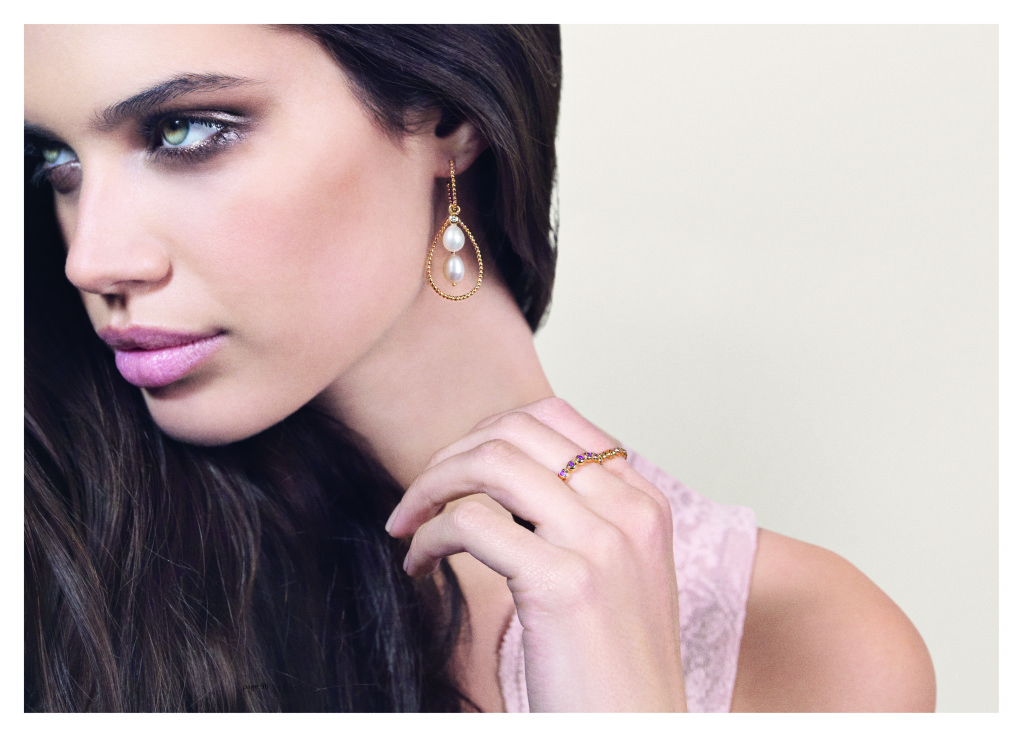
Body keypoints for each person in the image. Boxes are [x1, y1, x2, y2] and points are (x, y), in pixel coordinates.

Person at [23, 24, 936, 712]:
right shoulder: (54, 547)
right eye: (55, 160)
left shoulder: (811, 644)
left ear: (448, 118)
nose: (91, 260)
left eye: (185, 130)